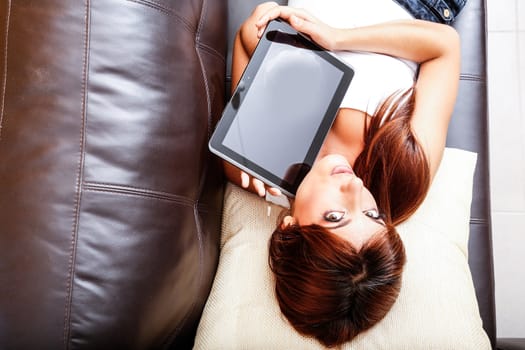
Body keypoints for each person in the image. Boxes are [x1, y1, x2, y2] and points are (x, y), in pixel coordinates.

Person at [222, 1, 461, 347]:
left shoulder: (255, 160)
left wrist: (253, 30)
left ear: (289, 229)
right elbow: (444, 47)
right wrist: (337, 39)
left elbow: (249, 42)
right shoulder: (404, 177)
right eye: (371, 213)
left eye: (335, 215)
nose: (356, 187)